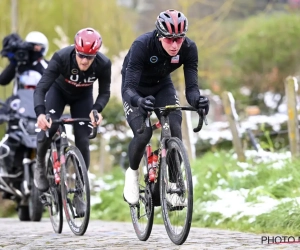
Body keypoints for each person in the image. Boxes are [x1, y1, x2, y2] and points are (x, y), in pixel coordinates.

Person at [121, 9, 210, 205]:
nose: (175, 45)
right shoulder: (142, 45)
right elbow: (128, 88)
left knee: (174, 127)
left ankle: (173, 185)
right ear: (160, 36)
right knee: (143, 133)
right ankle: (133, 173)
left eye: (179, 39)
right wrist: (139, 101)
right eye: (169, 39)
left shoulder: (189, 49)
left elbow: (192, 89)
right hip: (136, 89)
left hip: (162, 86)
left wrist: (198, 101)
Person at [33, 27, 111, 215]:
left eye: (89, 57)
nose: (84, 61)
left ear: (96, 55)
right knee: (49, 130)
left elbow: (105, 92)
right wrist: (41, 114)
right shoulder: (61, 57)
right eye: (81, 55)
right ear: (75, 50)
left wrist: (96, 109)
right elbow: (41, 88)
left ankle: (79, 193)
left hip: (83, 97)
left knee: (83, 140)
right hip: (57, 93)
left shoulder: (103, 64)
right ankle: (41, 166)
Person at [0, 31, 49, 176]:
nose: (34, 50)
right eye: (31, 47)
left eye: (37, 47)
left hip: (39, 112)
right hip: (19, 112)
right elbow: (2, 80)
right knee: (12, 142)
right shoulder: (18, 65)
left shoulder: (47, 66)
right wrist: (14, 62)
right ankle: (11, 174)